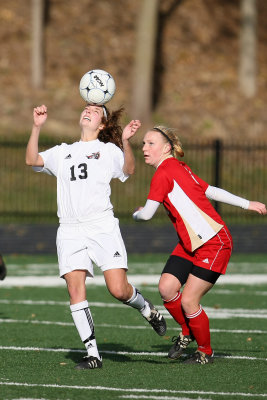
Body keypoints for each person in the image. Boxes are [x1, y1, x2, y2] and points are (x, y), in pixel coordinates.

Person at [26, 104, 166, 370]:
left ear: (102, 125)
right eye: (86, 108)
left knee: (118, 289)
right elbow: (32, 160)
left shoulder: (108, 150)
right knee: (75, 289)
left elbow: (129, 170)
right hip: (69, 229)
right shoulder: (63, 151)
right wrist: (36, 127)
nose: (87, 111)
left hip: (101, 226)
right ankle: (93, 355)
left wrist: (125, 142)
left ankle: (145, 307)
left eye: (95, 110)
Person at [133, 125, 267, 365]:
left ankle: (205, 351)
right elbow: (210, 190)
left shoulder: (165, 172)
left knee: (188, 301)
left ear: (166, 148)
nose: (144, 148)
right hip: (190, 244)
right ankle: (188, 332)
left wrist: (137, 213)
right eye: (143, 143)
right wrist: (247, 203)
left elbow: (146, 215)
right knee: (166, 288)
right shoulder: (178, 166)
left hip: (214, 242)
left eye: (150, 143)